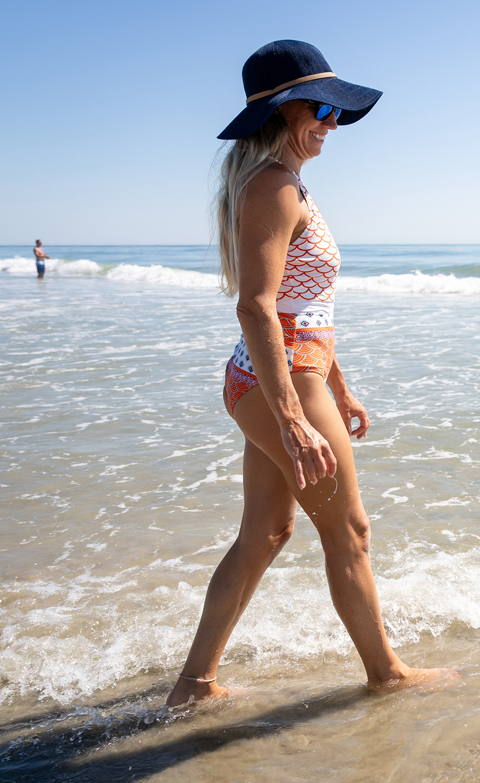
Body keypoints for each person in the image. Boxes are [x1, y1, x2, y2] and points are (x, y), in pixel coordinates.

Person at [167, 40, 452, 707]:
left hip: (286, 377)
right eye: (319, 108)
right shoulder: (271, 186)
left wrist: (341, 386)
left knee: (267, 532)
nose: (330, 122)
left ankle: (192, 686)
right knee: (348, 532)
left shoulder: (287, 184)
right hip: (282, 384)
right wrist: (294, 418)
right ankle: (387, 673)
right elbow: (256, 306)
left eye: (336, 111)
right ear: (279, 109)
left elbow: (307, 307)